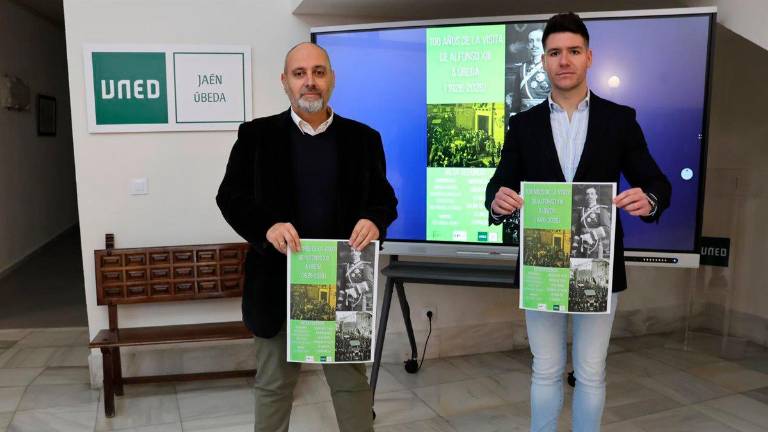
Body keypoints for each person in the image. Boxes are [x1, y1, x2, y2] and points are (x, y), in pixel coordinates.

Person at [485, 12, 671, 432]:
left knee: (590, 372)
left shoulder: (619, 119)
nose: (564, 60)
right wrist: (497, 201)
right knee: (545, 369)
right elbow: (499, 183)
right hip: (543, 265)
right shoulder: (522, 125)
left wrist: (650, 199)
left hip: (596, 265)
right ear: (543, 61)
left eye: (573, 51)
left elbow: (657, 182)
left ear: (589, 57)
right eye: (554, 53)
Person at [216, 42, 397, 432]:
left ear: (331, 79)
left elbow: (384, 201)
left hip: (344, 282)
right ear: (285, 82)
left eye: (318, 72)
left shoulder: (364, 139)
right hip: (276, 283)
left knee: (351, 385)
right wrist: (267, 226)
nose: (309, 81)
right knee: (274, 386)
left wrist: (375, 220)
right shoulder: (256, 136)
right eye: (300, 74)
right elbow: (230, 197)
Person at [506, 28, 551, 115]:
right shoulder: (522, 68)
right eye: (531, 41)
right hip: (525, 117)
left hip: (546, 116)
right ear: (528, 45)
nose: (534, 45)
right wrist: (513, 115)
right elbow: (516, 98)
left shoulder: (552, 67)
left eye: (538, 40)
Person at [572, 186, 611, 259]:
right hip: (581, 246)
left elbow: (606, 229)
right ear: (586, 196)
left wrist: (591, 236)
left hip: (594, 246)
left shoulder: (601, 210)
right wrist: (575, 245)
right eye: (587, 194)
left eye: (592, 194)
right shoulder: (581, 211)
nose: (589, 196)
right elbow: (578, 230)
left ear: (596, 196)